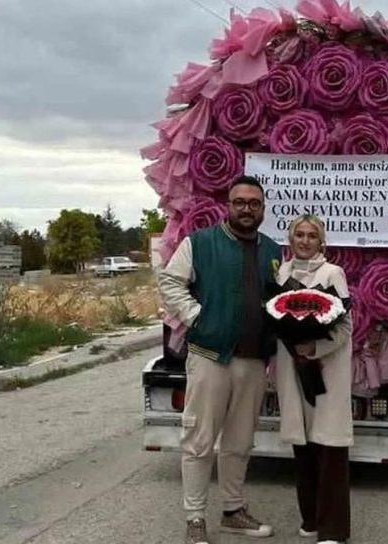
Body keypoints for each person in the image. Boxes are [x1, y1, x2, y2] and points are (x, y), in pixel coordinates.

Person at [158, 175, 282, 544]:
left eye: (254, 203)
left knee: (240, 441)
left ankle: (232, 510)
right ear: (228, 205)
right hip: (210, 356)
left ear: (263, 208)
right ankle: (195, 519)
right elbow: (170, 283)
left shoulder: (273, 251)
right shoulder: (200, 243)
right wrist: (199, 316)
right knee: (199, 439)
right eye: (240, 202)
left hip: (254, 359)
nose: (247, 208)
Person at [274, 214, 353, 544]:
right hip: (292, 369)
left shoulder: (333, 274)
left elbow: (345, 327)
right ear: (290, 240)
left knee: (329, 448)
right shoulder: (282, 273)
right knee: (302, 447)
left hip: (325, 373)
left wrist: (315, 346)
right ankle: (309, 519)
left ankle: (333, 529)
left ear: (322, 242)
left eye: (311, 236)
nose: (305, 241)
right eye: (299, 235)